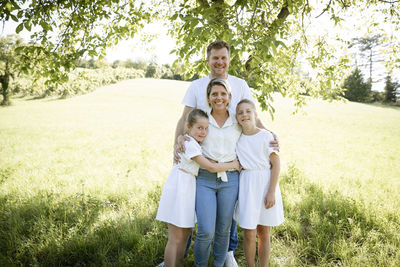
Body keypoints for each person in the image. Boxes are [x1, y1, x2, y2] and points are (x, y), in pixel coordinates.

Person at [173, 40, 279, 267]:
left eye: (223, 58)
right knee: (204, 227)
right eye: (215, 58)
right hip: (204, 171)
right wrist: (178, 142)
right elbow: (185, 120)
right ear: (208, 60)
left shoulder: (239, 94)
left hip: (231, 177)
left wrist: (270, 135)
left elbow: (252, 118)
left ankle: (224, 259)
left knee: (224, 226)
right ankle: (188, 260)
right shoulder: (199, 96)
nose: (220, 62)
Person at [156, 108, 241, 267]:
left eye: (206, 128)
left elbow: (207, 159)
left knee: (186, 232)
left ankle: (179, 263)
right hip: (180, 187)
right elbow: (210, 167)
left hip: (188, 187)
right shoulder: (189, 144)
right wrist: (234, 164)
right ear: (188, 127)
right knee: (175, 237)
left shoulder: (193, 143)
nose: (203, 132)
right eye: (199, 128)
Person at [235, 99, 284, 267]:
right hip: (247, 185)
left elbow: (276, 164)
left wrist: (271, 191)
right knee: (249, 232)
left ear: (255, 114)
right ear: (237, 118)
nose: (244, 115)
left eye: (248, 111)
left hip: (265, 184)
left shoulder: (266, 136)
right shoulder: (238, 139)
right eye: (240, 112)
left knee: (264, 231)